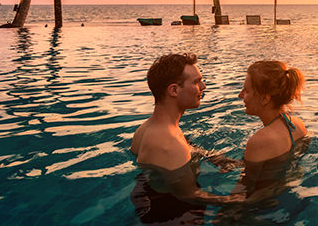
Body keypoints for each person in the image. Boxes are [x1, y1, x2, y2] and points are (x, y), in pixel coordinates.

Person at [130, 53, 240, 224]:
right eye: (196, 82)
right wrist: (242, 200)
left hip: (154, 201)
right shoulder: (169, 142)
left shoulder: (146, 128)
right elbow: (189, 195)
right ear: (174, 90)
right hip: (177, 216)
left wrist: (212, 157)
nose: (203, 86)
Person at [231, 60, 308, 200]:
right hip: (288, 193)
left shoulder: (259, 141)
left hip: (262, 203)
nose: (240, 95)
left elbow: (244, 189)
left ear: (265, 98)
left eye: (246, 91)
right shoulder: (298, 125)